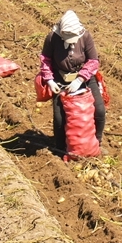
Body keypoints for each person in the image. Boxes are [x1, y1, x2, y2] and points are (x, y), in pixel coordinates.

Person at [38, 10, 105, 152]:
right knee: (59, 119)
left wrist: (79, 79)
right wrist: (49, 80)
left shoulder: (85, 36)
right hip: (60, 79)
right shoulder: (52, 38)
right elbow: (45, 60)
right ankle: (61, 148)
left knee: (99, 110)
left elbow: (93, 61)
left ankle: (96, 142)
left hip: (84, 77)